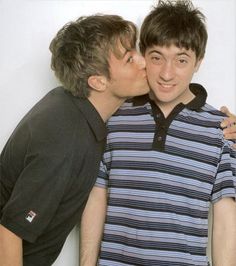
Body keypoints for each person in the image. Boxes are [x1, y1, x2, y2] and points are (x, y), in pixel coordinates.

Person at [80, 1, 236, 265]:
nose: (166, 73)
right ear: (143, 55)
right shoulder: (115, 117)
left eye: (181, 60)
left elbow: (225, 223)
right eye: (156, 57)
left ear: (198, 62)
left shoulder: (222, 130)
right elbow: (96, 198)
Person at [0, 14, 150, 266]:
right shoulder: (65, 140)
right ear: (98, 81)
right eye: (129, 59)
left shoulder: (71, 105)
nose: (143, 61)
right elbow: (10, 231)